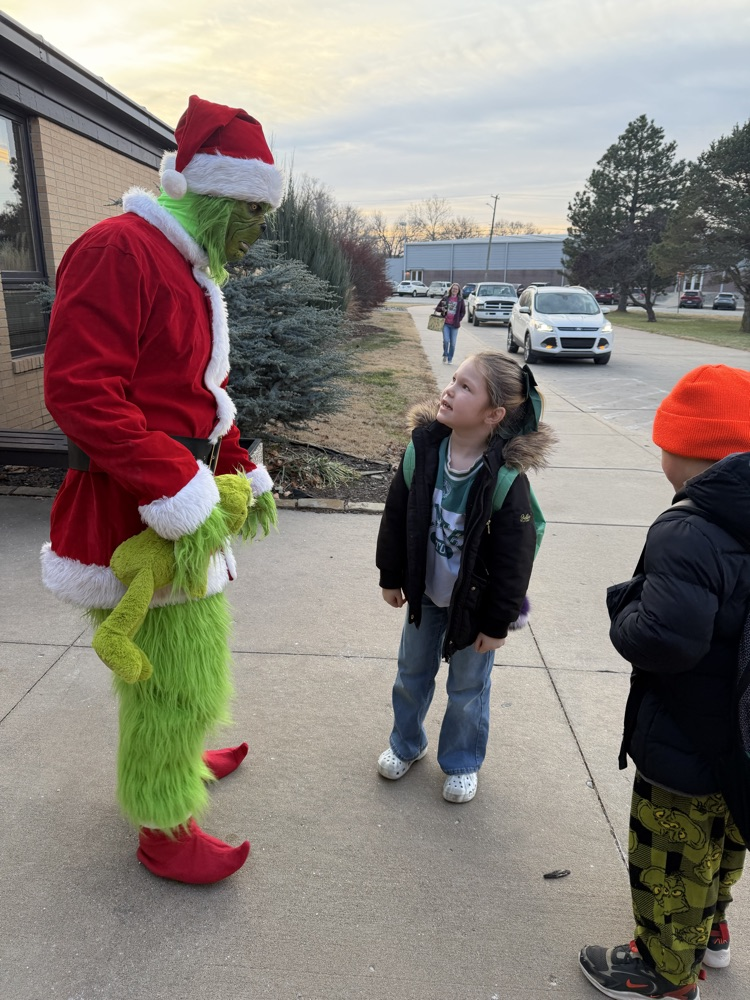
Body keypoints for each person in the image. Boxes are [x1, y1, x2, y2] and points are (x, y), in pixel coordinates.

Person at [41, 95, 283, 884]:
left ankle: (180, 751)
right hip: (136, 507)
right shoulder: (121, 250)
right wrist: (177, 484)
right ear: (206, 190)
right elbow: (81, 392)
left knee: (185, 664)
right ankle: (162, 822)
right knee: (171, 677)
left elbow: (200, 396)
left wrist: (241, 463)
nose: (256, 229)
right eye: (249, 209)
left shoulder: (185, 267)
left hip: (179, 499)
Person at [580, 364, 750, 999]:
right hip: (740, 732)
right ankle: (711, 931)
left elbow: (663, 639)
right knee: (725, 838)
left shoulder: (687, 529)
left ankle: (663, 970)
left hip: (684, 734)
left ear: (683, 452)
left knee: (670, 858)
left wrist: (625, 606)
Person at [375, 351, 555, 803]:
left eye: (465, 387)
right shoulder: (423, 451)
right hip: (424, 593)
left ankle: (461, 761)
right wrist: (391, 575)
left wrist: (498, 623)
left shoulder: (504, 479)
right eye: (453, 380)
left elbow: (516, 559)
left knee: (468, 688)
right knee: (410, 673)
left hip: (474, 608)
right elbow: (397, 514)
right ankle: (406, 743)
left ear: (494, 415)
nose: (449, 390)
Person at [436, 282, 466, 364]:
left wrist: (458, 319)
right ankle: (445, 354)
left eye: (456, 289)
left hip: (454, 325)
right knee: (446, 341)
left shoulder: (460, 300)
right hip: (445, 323)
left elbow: (463, 312)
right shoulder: (446, 298)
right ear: (451, 289)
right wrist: (442, 309)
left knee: (452, 343)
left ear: (458, 290)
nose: (455, 290)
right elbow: (437, 308)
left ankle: (450, 358)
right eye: (453, 288)